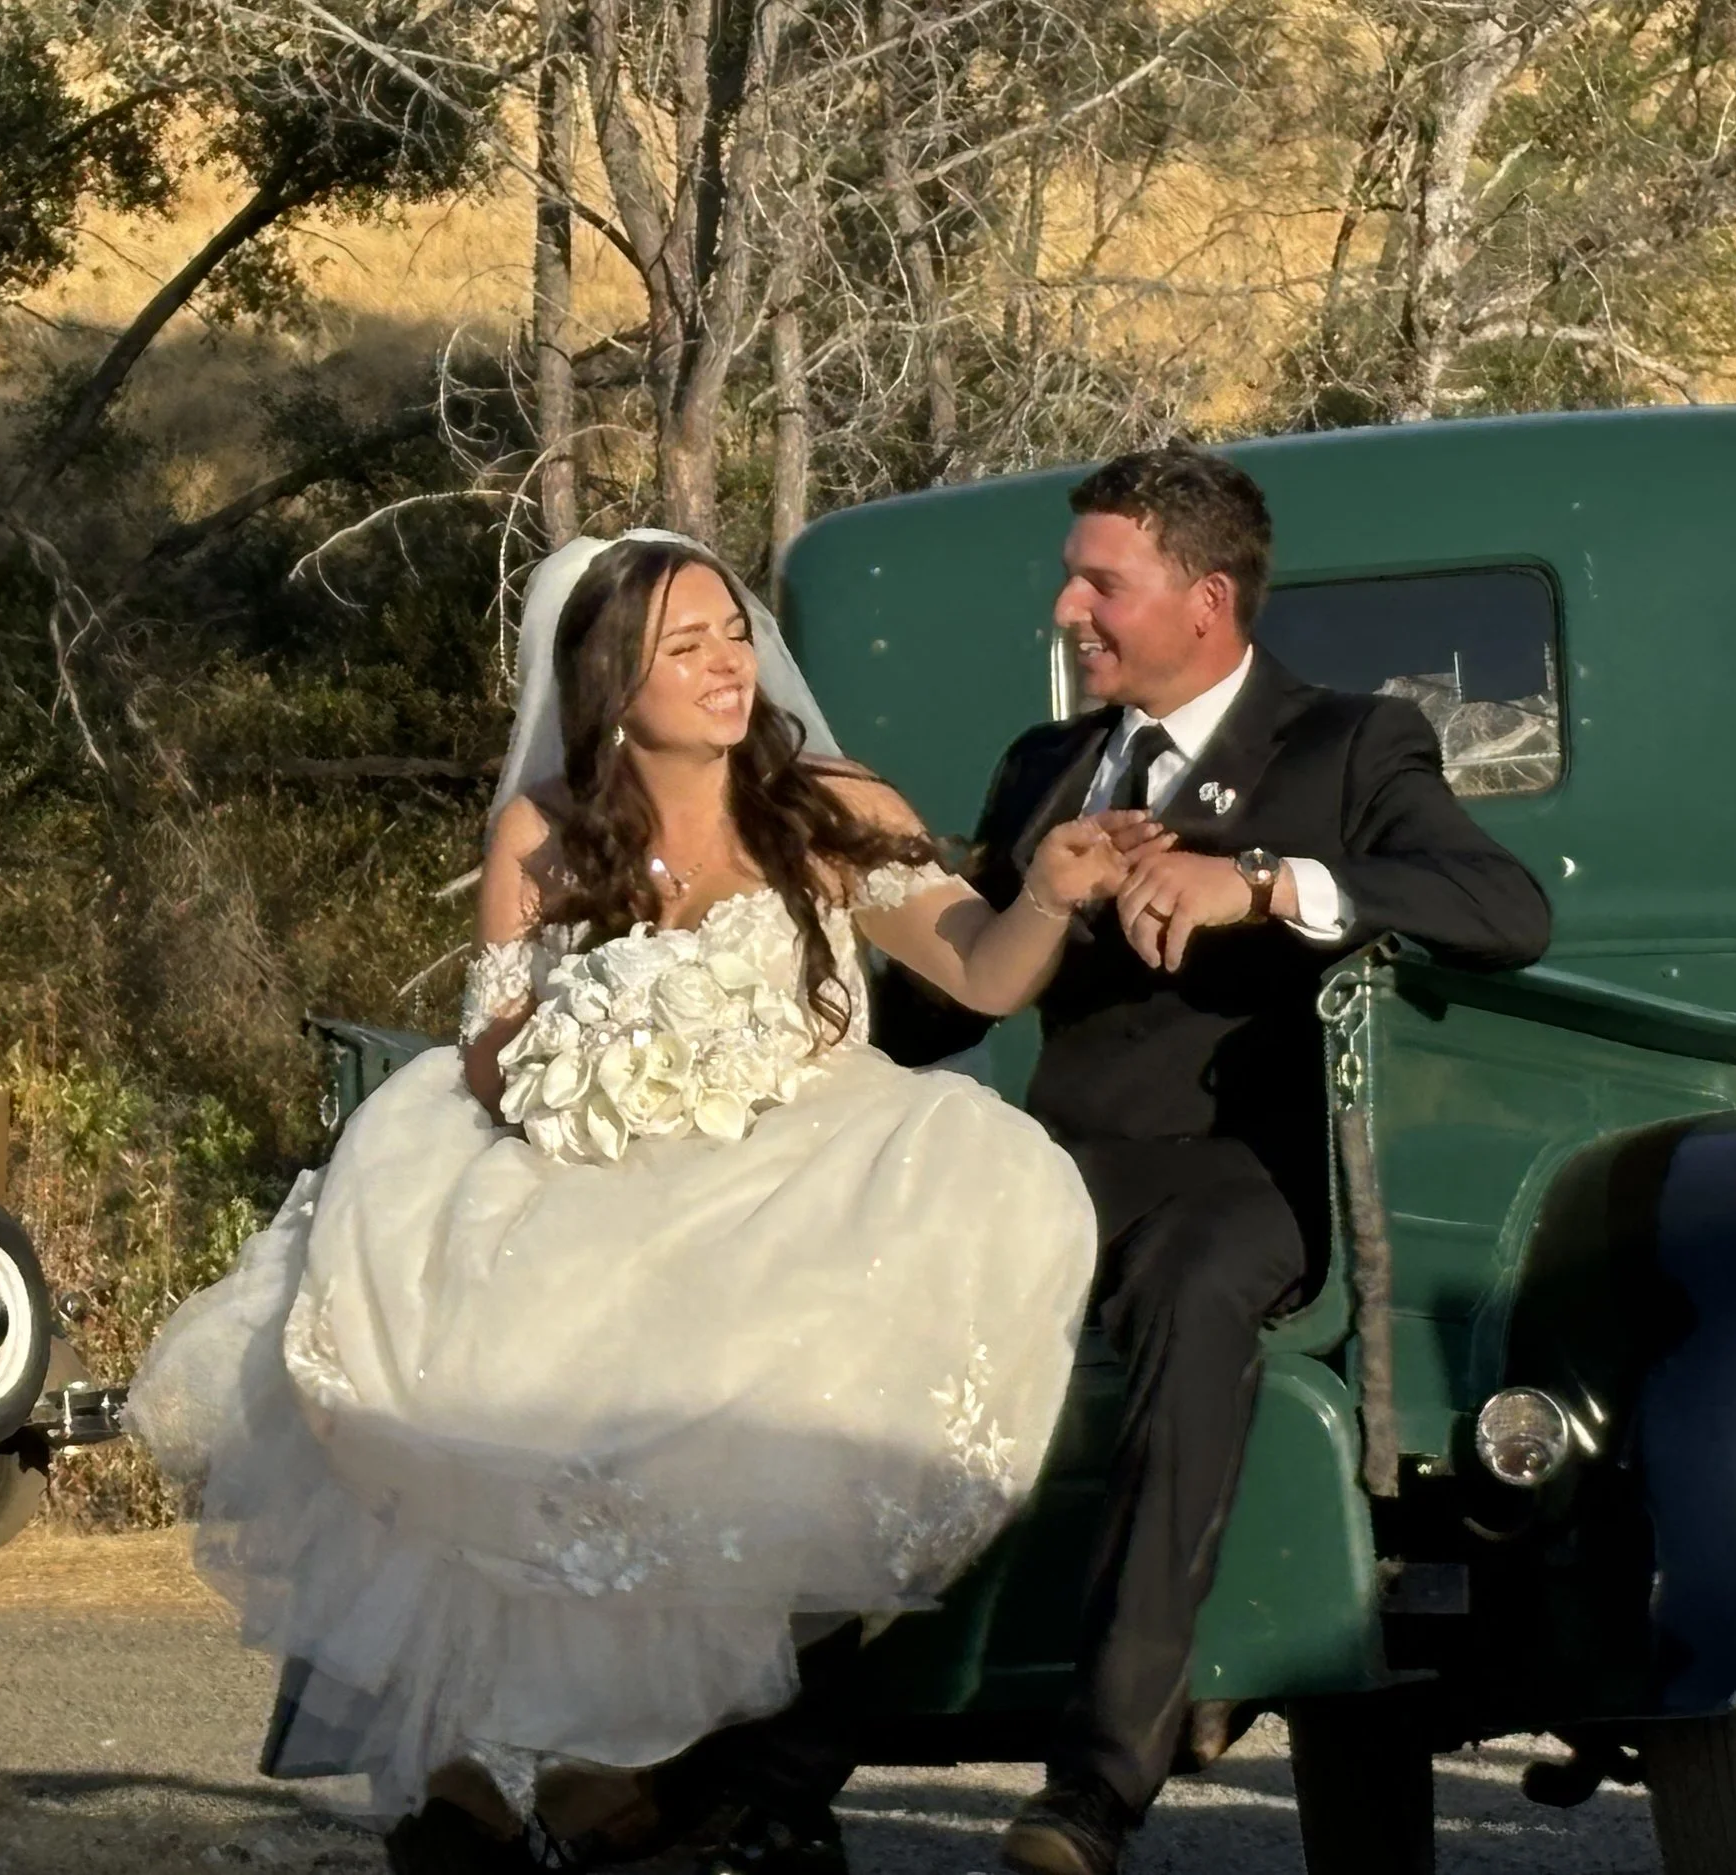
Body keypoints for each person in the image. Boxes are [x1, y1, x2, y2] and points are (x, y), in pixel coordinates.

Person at [124, 529, 1146, 1864]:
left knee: (779, 1318)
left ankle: (639, 1769)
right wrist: (594, 1044)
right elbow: (489, 1053)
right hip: (592, 1153)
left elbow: (983, 973)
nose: (730, 665)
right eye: (689, 646)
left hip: (792, 1156)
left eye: (734, 633)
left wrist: (1052, 896)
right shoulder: (543, 832)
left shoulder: (829, 802)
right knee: (466, 1328)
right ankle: (500, 1766)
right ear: (615, 684)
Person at [719, 443, 1554, 1875]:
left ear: (1209, 598)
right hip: (1048, 1165)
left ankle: (1098, 1782)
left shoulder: (1349, 744)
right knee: (851, 1306)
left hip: (1243, 1170)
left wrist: (1268, 884)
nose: (1068, 610)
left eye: (1102, 581)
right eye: (1072, 579)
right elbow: (943, 998)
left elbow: (1501, 903)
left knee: (1186, 1287)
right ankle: (774, 1768)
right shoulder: (1048, 766)